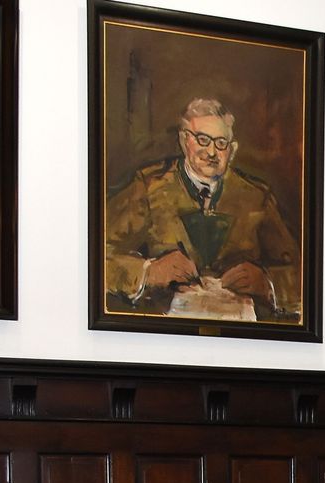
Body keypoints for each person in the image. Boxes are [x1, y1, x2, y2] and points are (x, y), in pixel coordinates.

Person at [104, 97, 301, 322]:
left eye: (220, 143)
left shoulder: (256, 196)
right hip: (164, 331)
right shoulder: (148, 187)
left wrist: (267, 283)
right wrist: (149, 272)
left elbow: (302, 273)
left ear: (232, 150)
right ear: (184, 140)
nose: (211, 152)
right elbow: (96, 257)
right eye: (203, 139)